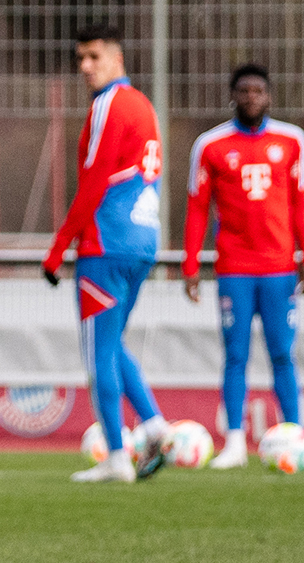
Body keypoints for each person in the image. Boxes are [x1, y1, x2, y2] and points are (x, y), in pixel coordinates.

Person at [42, 24, 173, 483]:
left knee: (97, 352)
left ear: (116, 58)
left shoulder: (108, 104)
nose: (85, 67)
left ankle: (117, 457)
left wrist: (59, 247)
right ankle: (155, 426)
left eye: (93, 57)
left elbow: (94, 180)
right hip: (142, 242)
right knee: (113, 343)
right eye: (80, 58)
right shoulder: (143, 105)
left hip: (106, 243)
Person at [182, 62, 304, 468]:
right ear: (232, 95)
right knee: (235, 355)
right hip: (234, 268)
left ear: (269, 96)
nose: (252, 97)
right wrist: (190, 263)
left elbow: (299, 205)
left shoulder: (292, 141)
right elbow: (197, 207)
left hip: (279, 267)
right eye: (244, 90)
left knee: (283, 355)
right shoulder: (211, 145)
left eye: (258, 91)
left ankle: (295, 435)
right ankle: (234, 442)